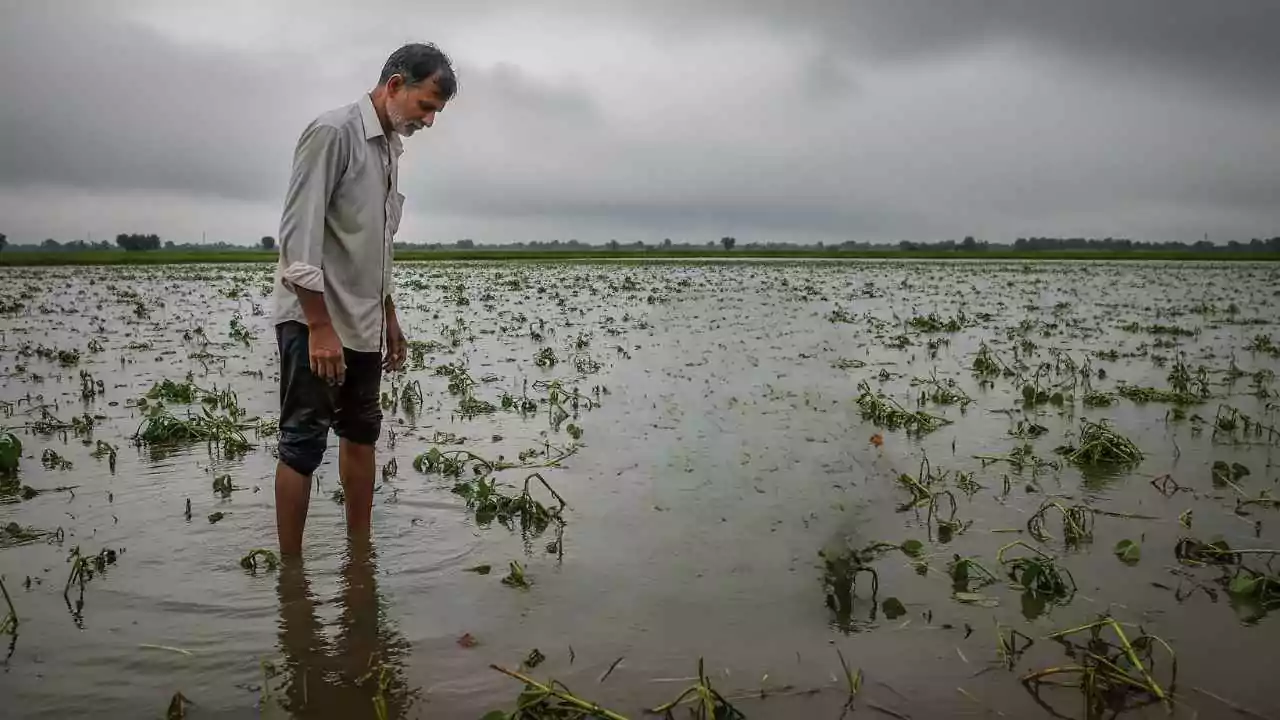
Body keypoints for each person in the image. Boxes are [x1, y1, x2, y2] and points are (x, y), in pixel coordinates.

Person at [272, 43, 458, 556]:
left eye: (437, 112)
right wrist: (319, 326)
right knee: (303, 445)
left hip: (364, 321)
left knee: (361, 433)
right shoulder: (333, 133)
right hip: (316, 321)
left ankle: (361, 555)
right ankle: (292, 572)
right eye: (426, 106)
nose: (429, 120)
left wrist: (389, 314)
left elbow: (378, 243)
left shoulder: (390, 150)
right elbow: (297, 238)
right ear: (395, 84)